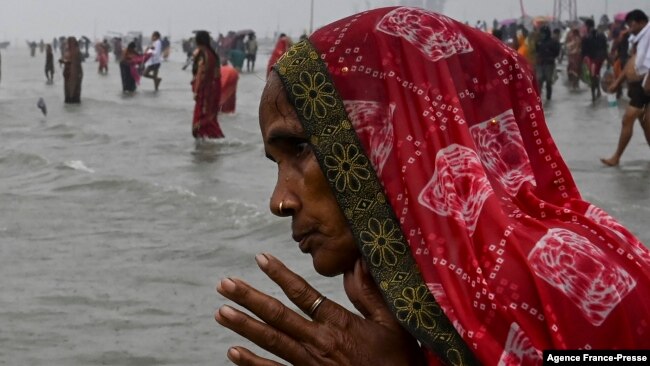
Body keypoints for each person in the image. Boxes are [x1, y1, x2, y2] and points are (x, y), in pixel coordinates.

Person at [215, 7, 650, 365]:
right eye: (276, 163)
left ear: (394, 138)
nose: (279, 201)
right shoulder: (433, 292)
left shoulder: (568, 280)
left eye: (301, 148)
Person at [601, 9, 650, 167]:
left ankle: (616, 157)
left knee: (627, 119)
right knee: (646, 123)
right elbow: (632, 62)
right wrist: (618, 82)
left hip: (645, 85)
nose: (629, 27)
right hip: (636, 86)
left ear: (642, 22)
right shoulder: (637, 39)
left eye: (632, 24)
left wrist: (647, 85)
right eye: (628, 24)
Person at [191, 31, 224, 139]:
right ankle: (213, 146)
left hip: (206, 91)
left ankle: (211, 144)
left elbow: (201, 75)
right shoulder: (212, 53)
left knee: (199, 122)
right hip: (214, 89)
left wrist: (196, 91)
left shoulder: (202, 54)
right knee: (210, 119)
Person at [581, 18, 608, 102]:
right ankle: (597, 92)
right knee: (596, 74)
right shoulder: (601, 35)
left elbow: (584, 50)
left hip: (593, 59)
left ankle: (593, 96)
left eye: (585, 25)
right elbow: (605, 47)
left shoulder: (588, 36)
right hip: (599, 58)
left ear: (588, 26)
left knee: (593, 76)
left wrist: (584, 58)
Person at [535, 26, 560, 100]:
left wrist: (551, 56)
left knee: (548, 81)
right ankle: (538, 98)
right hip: (540, 63)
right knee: (539, 80)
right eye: (541, 33)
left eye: (544, 33)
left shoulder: (553, 42)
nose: (542, 35)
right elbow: (536, 51)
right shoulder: (538, 41)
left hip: (549, 64)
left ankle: (548, 98)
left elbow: (557, 52)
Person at [59, 36, 83, 104]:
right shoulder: (69, 49)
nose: (67, 43)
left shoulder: (76, 51)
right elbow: (66, 59)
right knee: (68, 92)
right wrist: (63, 61)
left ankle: (73, 101)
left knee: (74, 91)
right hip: (68, 74)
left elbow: (74, 63)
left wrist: (65, 61)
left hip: (74, 73)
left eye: (68, 42)